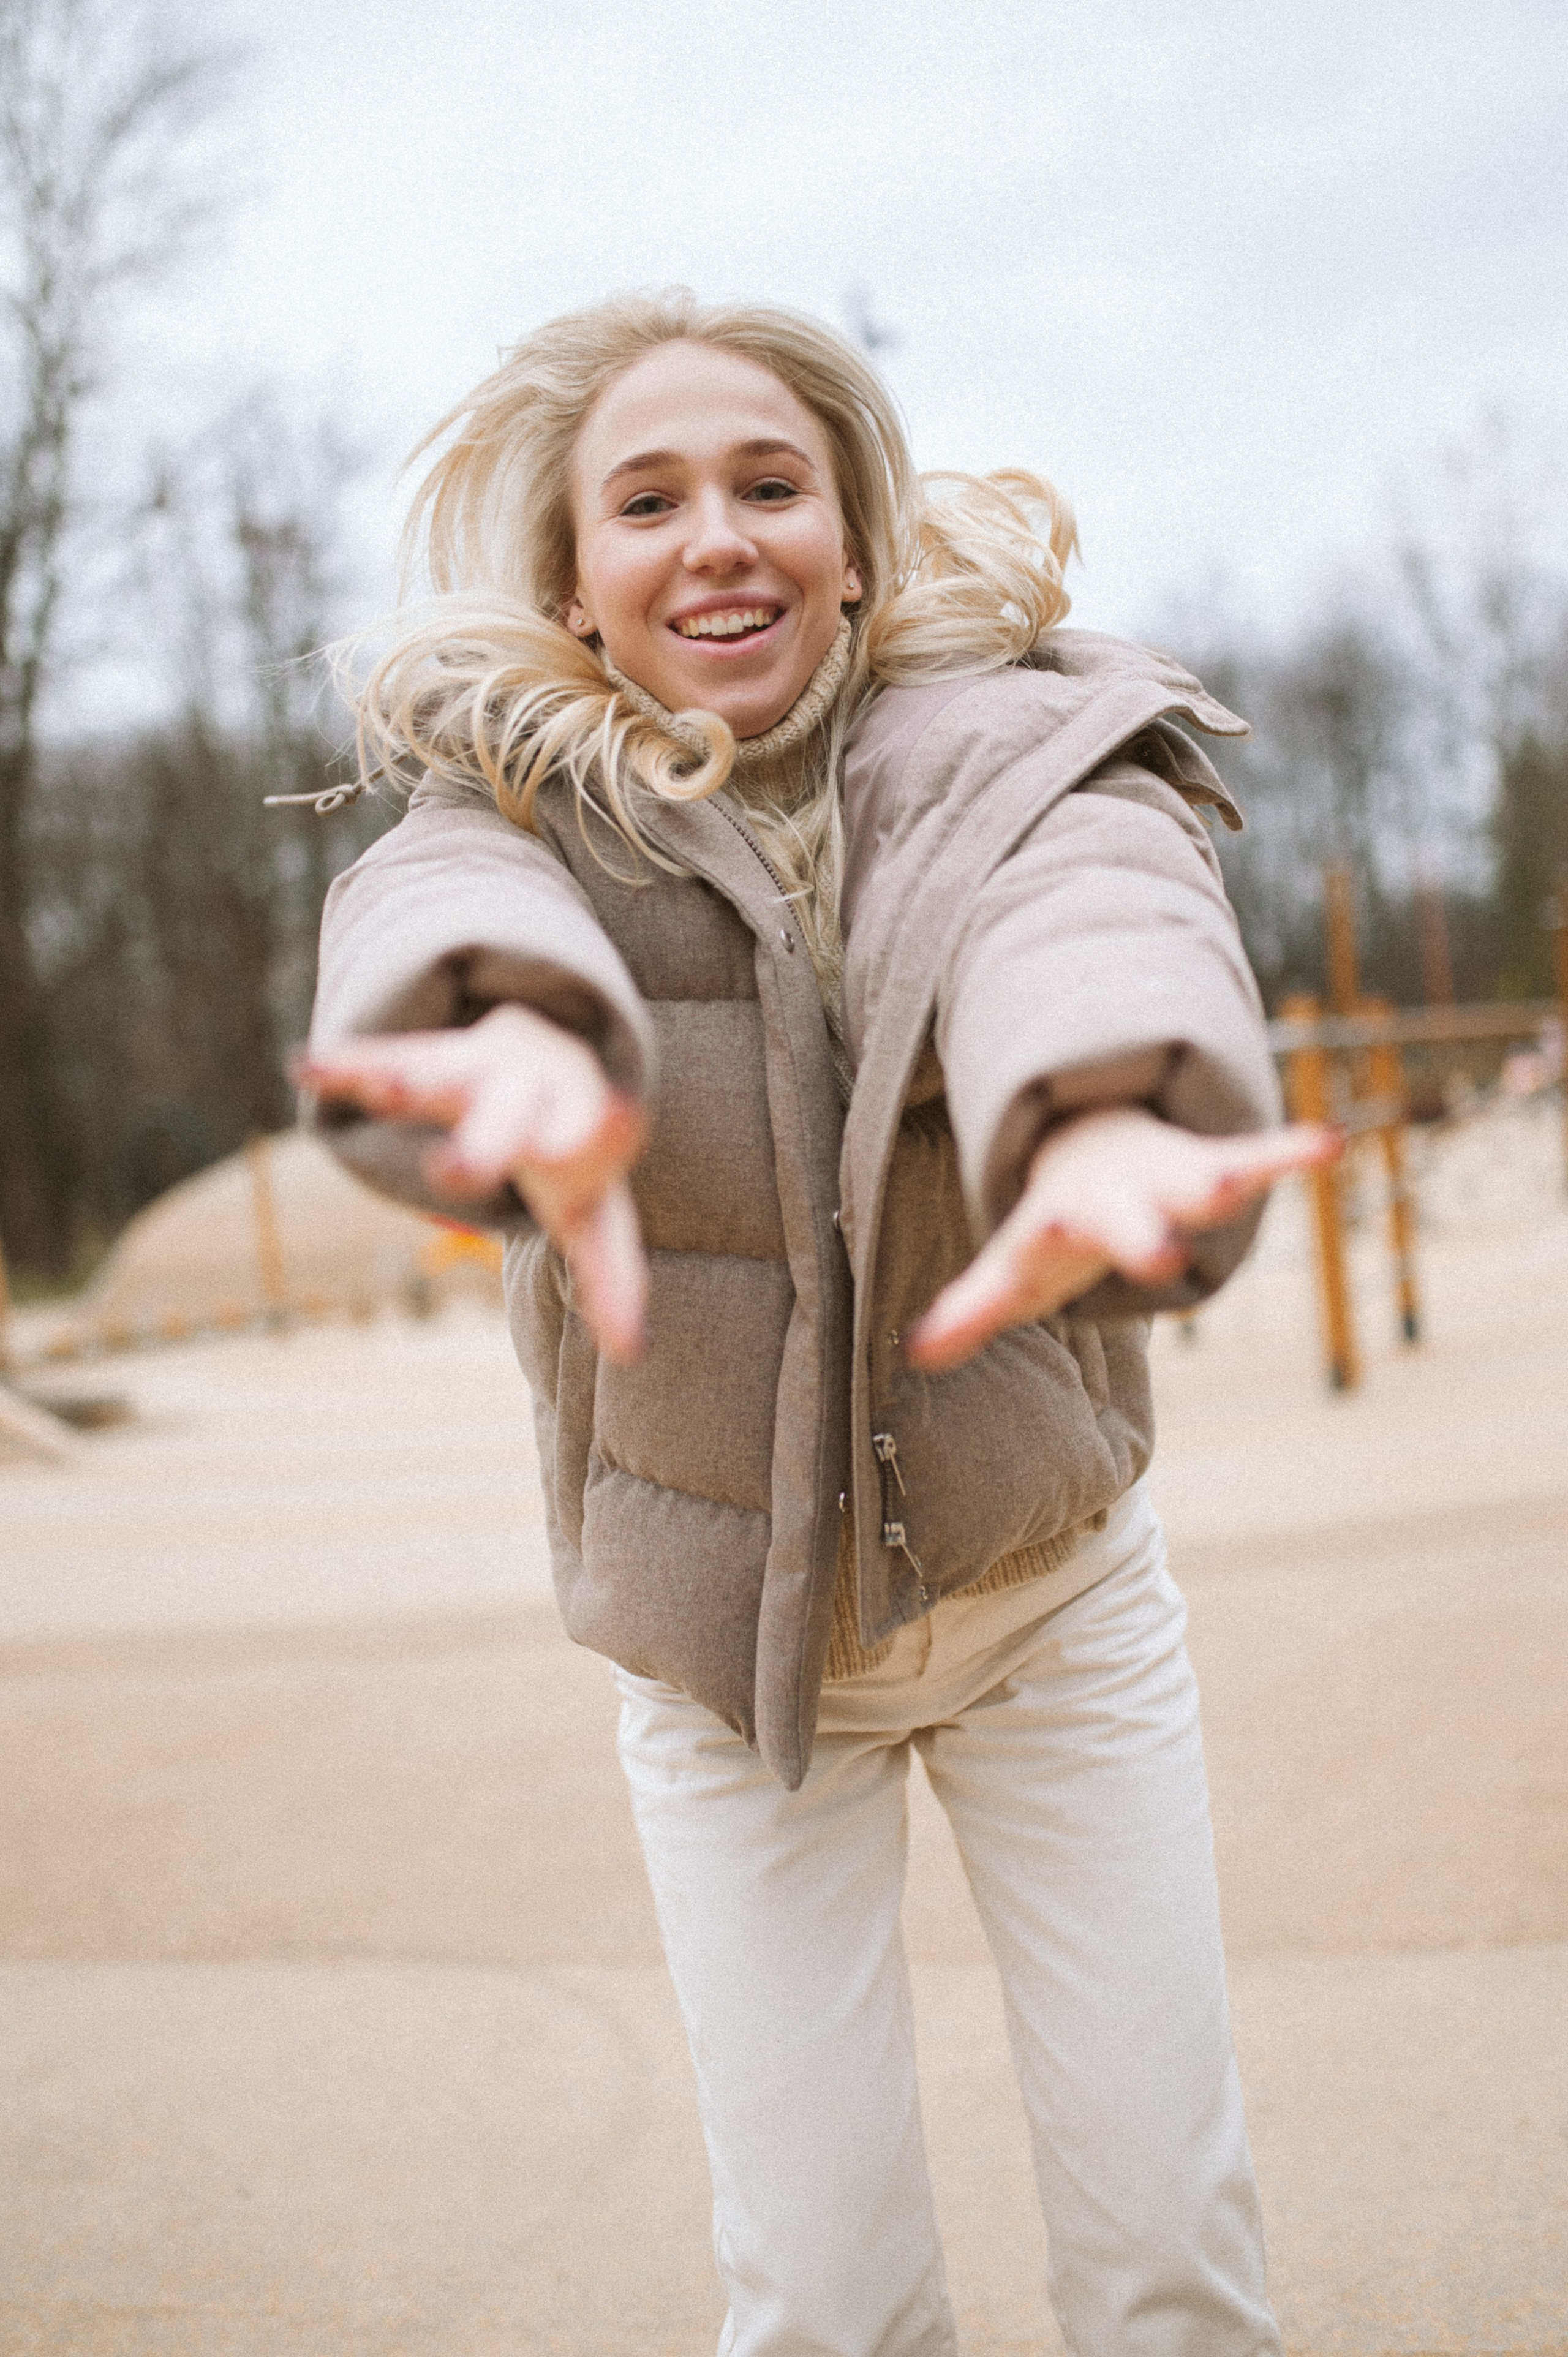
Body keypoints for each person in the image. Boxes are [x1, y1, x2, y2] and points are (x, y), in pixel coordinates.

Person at [302, 290, 1333, 2357]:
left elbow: (1098, 919)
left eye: (771, 485)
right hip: (728, 1670)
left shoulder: (1014, 750)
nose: (719, 537)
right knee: (823, 2303)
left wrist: (1115, 1098)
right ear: (579, 581)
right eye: (651, 499)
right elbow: (439, 926)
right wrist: (503, 1041)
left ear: (855, 535)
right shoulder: (499, 819)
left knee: (1171, 2264)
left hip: (1051, 1607)